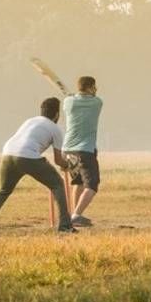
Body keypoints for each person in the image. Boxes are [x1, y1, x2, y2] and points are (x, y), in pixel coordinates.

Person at [0, 98, 76, 235]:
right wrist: (69, 164)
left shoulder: (30, 121)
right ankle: (65, 225)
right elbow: (58, 160)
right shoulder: (55, 129)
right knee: (57, 184)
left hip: (7, 154)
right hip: (28, 156)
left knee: (2, 191)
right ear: (57, 115)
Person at [62, 76, 103, 227]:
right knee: (92, 185)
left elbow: (72, 99)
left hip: (67, 150)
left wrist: (73, 96)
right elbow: (93, 97)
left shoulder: (68, 102)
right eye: (94, 87)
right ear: (90, 87)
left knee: (77, 182)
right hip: (84, 150)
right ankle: (77, 215)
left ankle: (74, 215)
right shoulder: (97, 103)